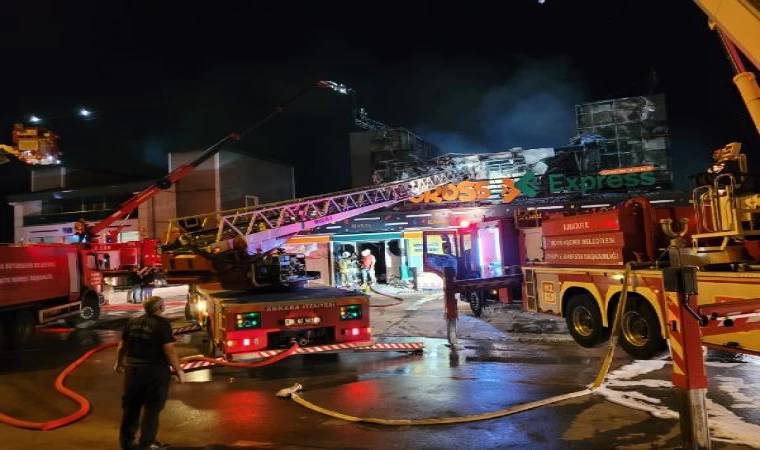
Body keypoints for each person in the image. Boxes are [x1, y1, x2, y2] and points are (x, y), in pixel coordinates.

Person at [115, 296, 186, 450]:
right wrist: (179, 370)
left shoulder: (132, 322)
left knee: (131, 407)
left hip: (133, 371)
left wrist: (119, 362)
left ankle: (126, 443)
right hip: (154, 372)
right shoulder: (162, 324)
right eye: (163, 305)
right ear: (160, 308)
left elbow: (122, 346)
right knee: (152, 408)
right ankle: (147, 442)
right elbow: (169, 351)